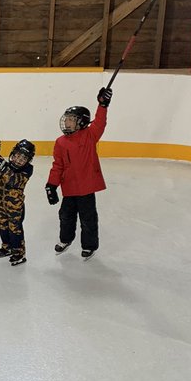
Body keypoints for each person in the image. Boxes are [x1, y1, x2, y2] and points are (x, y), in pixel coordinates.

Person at [45, 86, 113, 260]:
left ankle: (89, 246)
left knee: (88, 218)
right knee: (65, 216)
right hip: (69, 188)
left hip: (86, 188)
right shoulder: (60, 142)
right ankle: (65, 239)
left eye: (71, 119)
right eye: (66, 119)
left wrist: (102, 105)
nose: (66, 122)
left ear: (81, 122)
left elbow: (100, 122)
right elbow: (57, 165)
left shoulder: (90, 136)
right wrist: (51, 185)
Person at [0, 138, 35, 266]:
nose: (19, 160)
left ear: (28, 161)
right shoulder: (7, 167)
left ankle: (19, 253)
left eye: (23, 159)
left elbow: (13, 180)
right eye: (17, 156)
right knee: (3, 226)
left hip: (15, 208)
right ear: (12, 155)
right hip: (2, 204)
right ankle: (7, 247)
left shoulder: (27, 171)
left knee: (15, 229)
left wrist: (2, 166)